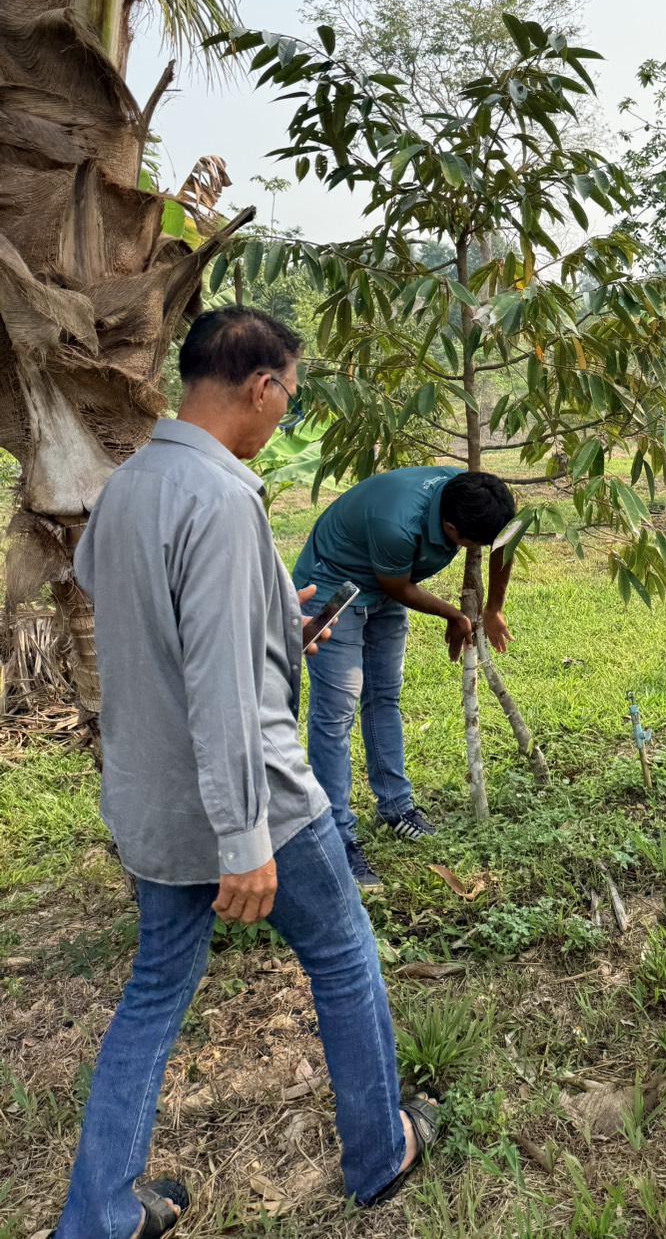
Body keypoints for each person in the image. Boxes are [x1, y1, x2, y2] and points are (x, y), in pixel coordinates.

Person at [53, 308, 438, 1239]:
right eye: (289, 395)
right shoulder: (223, 500)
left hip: (148, 801)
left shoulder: (129, 485)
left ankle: (99, 1215)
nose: (285, 415)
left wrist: (272, 622)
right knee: (345, 956)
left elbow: (135, 606)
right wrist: (243, 842)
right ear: (261, 386)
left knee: (154, 991)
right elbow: (224, 692)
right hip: (250, 802)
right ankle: (379, 1152)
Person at [293, 466, 516, 886]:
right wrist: (452, 613)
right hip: (333, 586)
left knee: (383, 697)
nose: (482, 549)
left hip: (383, 581)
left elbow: (503, 544)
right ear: (450, 529)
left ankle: (396, 807)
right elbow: (395, 584)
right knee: (336, 714)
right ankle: (336, 837)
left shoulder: (475, 494)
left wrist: (493, 608)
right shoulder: (398, 525)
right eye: (473, 544)